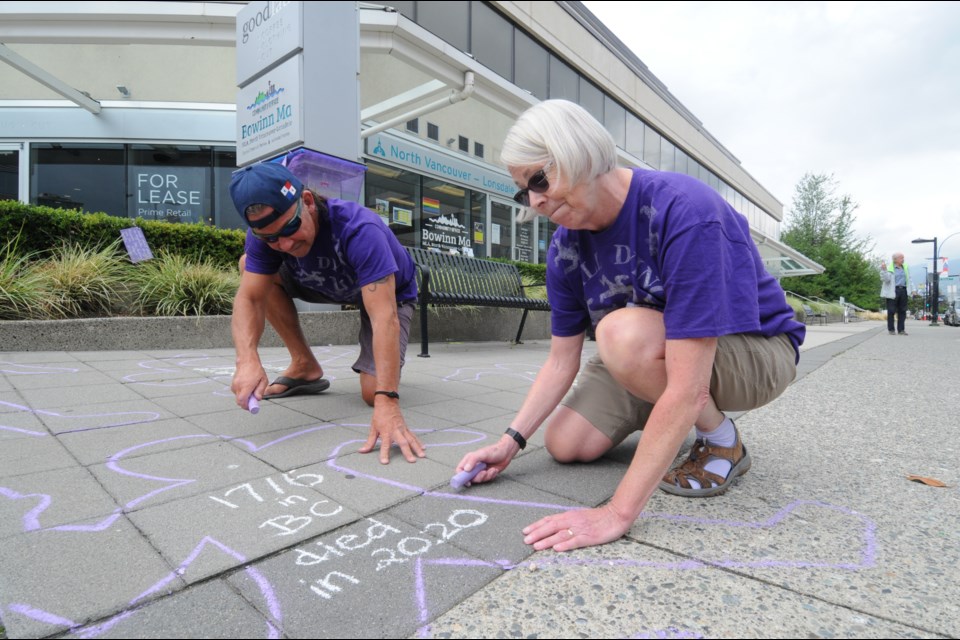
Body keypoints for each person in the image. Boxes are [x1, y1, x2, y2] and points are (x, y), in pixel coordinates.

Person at [455, 100, 805, 552]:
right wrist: (510, 442)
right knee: (566, 444)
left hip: (756, 350)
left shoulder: (682, 210)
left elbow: (687, 388)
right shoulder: (565, 247)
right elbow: (561, 361)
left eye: (539, 179)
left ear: (579, 153)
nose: (536, 201)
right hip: (648, 351)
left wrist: (616, 513)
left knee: (621, 337)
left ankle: (721, 440)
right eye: (525, 191)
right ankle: (661, 413)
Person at [228, 162, 425, 464]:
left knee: (373, 394)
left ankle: (382, 384)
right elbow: (251, 299)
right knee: (248, 267)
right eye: (271, 239)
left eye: (291, 228)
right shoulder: (266, 237)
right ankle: (304, 365)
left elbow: (384, 317)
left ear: (307, 201)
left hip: (388, 292)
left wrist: (388, 401)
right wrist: (247, 359)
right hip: (326, 283)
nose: (285, 243)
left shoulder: (359, 228)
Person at [879, 252, 910, 335]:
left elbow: (908, 279)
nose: (903, 259)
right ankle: (891, 329)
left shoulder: (905, 267)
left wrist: (912, 290)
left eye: (903, 258)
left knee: (902, 311)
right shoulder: (890, 268)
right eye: (901, 258)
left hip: (903, 290)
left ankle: (901, 330)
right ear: (895, 260)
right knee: (891, 310)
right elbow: (886, 279)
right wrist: (884, 270)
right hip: (893, 290)